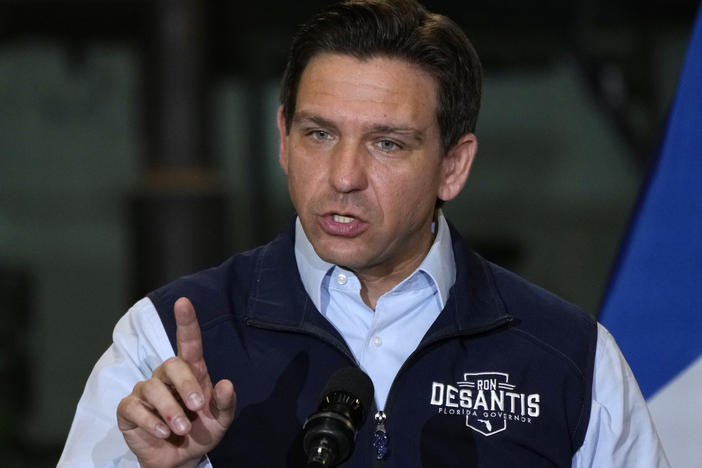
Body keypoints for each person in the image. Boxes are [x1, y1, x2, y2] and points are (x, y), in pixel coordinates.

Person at [58, 0, 670, 466]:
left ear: (453, 166)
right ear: (282, 139)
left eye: (386, 144)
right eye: (319, 134)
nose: (344, 177)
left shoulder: (571, 359)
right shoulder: (163, 341)